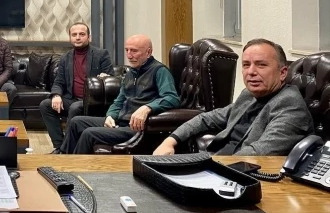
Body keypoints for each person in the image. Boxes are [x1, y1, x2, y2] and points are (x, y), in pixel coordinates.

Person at [154, 38, 314, 156]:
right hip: (218, 160)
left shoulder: (290, 106)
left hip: (240, 173)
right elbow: (206, 118)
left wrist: (204, 165)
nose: (251, 72)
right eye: (246, 65)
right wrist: (170, 141)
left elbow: (259, 153)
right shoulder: (249, 95)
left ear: (283, 73)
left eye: (261, 65)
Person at [60, 34, 180, 154]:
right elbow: (119, 100)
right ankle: (63, 157)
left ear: (148, 52)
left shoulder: (160, 71)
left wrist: (147, 108)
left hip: (136, 128)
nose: (129, 55)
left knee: (89, 133)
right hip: (120, 121)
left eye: (134, 51)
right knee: (76, 122)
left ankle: (76, 165)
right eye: (127, 50)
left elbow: (172, 98)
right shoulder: (130, 73)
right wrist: (110, 116)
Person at [40, 22, 113, 152]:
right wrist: (56, 95)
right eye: (74, 35)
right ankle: (59, 146)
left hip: (92, 102)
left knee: (75, 107)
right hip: (72, 99)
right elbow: (59, 81)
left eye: (82, 34)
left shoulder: (101, 54)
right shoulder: (65, 57)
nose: (78, 37)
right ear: (70, 38)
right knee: (45, 105)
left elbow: (111, 79)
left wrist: (105, 78)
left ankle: (66, 149)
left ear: (89, 37)